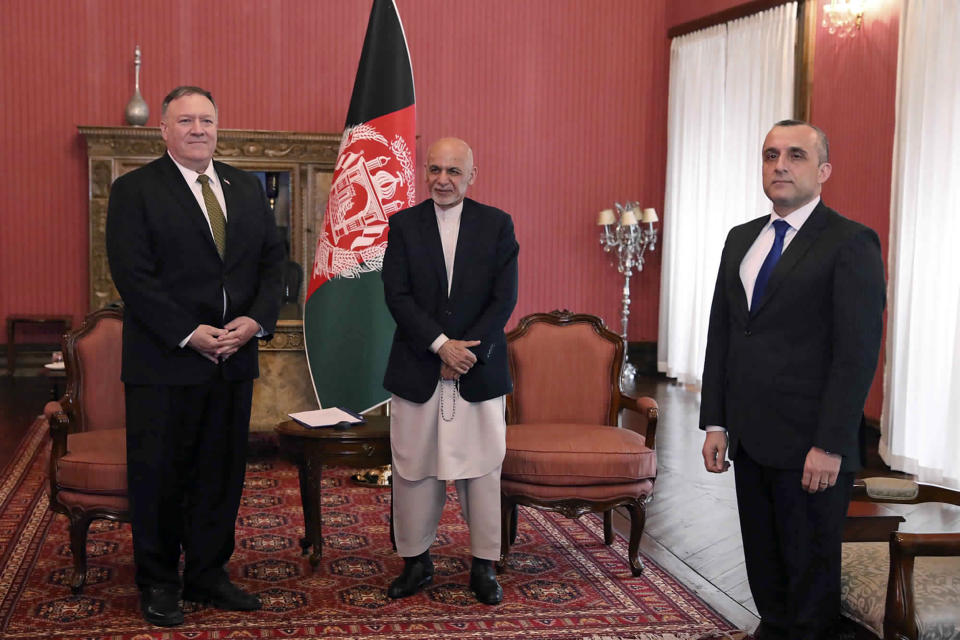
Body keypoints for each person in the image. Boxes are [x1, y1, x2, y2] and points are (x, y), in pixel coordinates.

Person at [700, 120, 885, 639]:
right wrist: (715, 422)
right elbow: (724, 335)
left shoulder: (850, 242)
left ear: (823, 170)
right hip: (750, 438)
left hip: (812, 446)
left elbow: (856, 354)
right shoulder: (741, 239)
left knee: (809, 578)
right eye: (771, 154)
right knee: (765, 566)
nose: (780, 164)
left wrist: (829, 444)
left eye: (796, 155)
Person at [106, 86, 284, 626]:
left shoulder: (245, 187)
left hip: (234, 358)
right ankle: (158, 582)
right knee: (160, 476)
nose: (199, 129)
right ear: (163, 130)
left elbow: (276, 262)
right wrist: (189, 332)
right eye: (186, 120)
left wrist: (256, 321)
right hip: (166, 361)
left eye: (207, 119)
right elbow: (132, 276)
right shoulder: (134, 189)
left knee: (221, 475)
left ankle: (208, 574)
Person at [381, 137, 519, 605]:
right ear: (425, 172)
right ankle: (416, 564)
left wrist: (466, 353)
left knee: (481, 473)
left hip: (478, 370)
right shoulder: (402, 225)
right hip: (418, 365)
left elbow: (504, 299)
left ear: (472, 176)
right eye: (435, 169)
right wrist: (441, 346)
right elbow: (396, 296)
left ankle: (483, 568)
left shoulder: (498, 225)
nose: (443, 179)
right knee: (414, 469)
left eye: (454, 172)